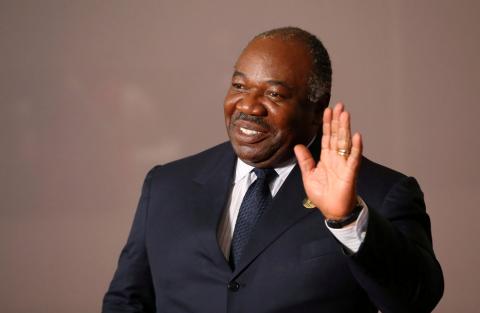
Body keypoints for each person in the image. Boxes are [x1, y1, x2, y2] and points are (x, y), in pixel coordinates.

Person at [102, 27, 444, 313]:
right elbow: (127, 301)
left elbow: (414, 301)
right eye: (239, 86)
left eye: (275, 94)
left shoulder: (381, 192)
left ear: (316, 109)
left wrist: (348, 218)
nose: (248, 106)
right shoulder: (166, 185)